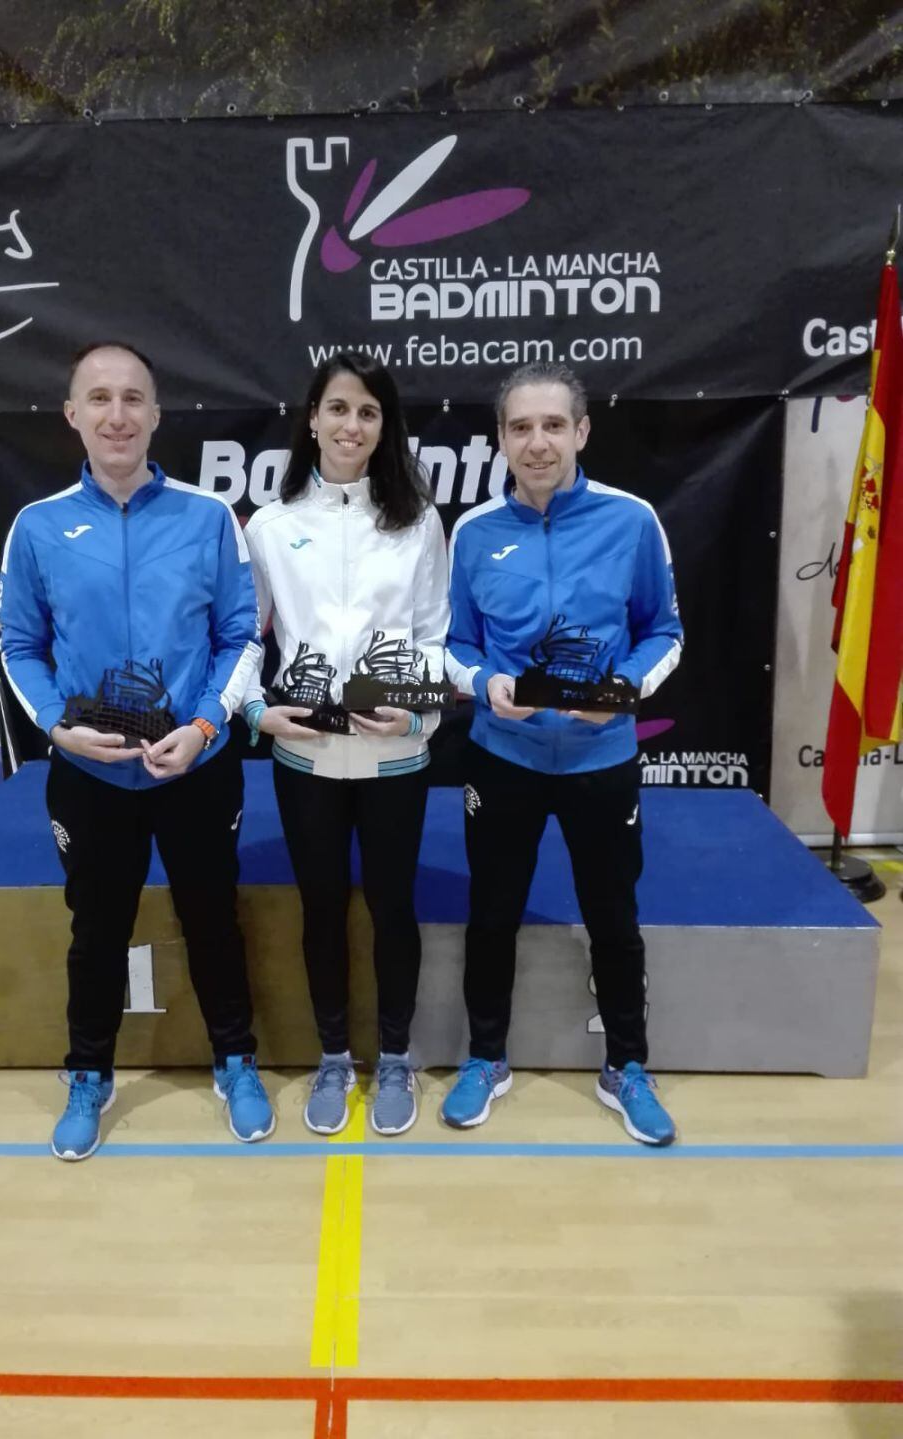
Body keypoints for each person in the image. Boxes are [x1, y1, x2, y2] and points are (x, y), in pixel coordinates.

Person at [0, 340, 273, 1158]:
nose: (117, 415)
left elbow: (239, 638)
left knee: (212, 918)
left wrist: (201, 728)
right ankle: (89, 1070)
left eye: (133, 399)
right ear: (72, 414)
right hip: (90, 772)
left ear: (157, 414)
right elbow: (20, 646)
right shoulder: (38, 526)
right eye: (100, 398)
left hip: (193, 764)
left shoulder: (206, 517)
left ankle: (236, 1059)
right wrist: (54, 724)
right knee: (96, 929)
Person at [442, 361, 683, 1145]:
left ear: (581, 431)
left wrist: (619, 691)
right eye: (520, 427)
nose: (536, 442)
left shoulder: (631, 519)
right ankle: (486, 1056)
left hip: (599, 758)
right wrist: (484, 682)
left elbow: (665, 633)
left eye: (553, 425)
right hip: (501, 755)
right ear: (501, 438)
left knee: (614, 915)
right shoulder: (474, 533)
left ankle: (628, 1065)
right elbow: (454, 644)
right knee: (492, 911)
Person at [242, 352, 450, 1136]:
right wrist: (256, 712)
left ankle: (394, 1056)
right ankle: (333, 1055)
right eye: (337, 408)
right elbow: (243, 636)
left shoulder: (419, 518)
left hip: (395, 755)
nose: (351, 426)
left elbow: (434, 636)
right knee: (323, 907)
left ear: (384, 424)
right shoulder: (272, 523)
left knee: (394, 907)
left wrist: (418, 714)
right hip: (307, 759)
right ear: (311, 418)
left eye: (367, 412)